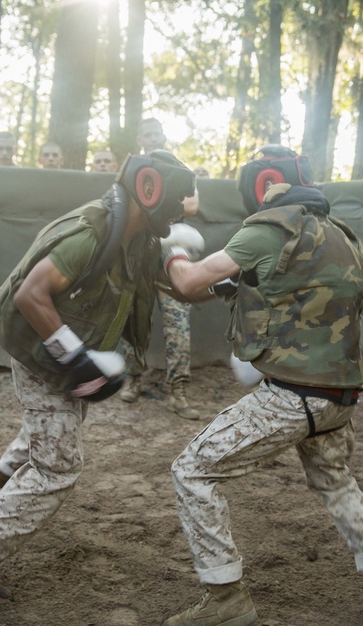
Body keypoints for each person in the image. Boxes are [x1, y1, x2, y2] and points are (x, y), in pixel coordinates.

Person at [157, 146, 363, 626]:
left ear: (261, 185)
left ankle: (224, 597)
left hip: (291, 395)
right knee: (336, 481)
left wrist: (170, 249)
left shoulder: (268, 230)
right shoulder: (342, 235)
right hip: (338, 397)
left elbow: (190, 282)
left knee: (191, 470)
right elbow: (298, 290)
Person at [0, 151, 199, 594]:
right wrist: (76, 360)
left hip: (66, 356)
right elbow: (31, 296)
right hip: (41, 355)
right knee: (58, 468)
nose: (184, 206)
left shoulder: (140, 238)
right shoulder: (91, 233)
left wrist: (233, 276)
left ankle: (9, 466)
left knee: (51, 452)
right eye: (179, 195)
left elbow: (183, 288)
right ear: (150, 189)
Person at [118, 118, 200, 420]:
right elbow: (120, 204)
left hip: (171, 251)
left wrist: (156, 205)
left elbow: (191, 207)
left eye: (156, 133)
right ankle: (134, 379)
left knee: (178, 323)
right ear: (139, 137)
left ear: (164, 136)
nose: (152, 138)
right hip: (139, 250)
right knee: (133, 319)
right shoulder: (133, 169)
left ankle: (178, 391)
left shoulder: (179, 167)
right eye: (146, 134)